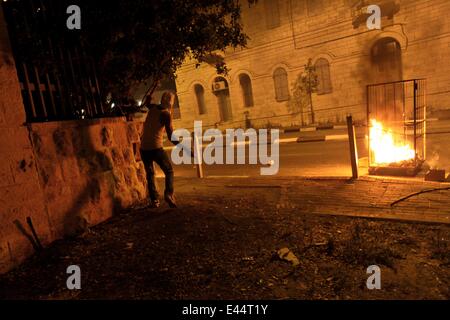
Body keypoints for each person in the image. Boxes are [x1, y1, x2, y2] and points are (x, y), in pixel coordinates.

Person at [140, 91, 179, 208]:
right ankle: (169, 194)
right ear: (170, 102)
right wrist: (185, 148)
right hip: (155, 147)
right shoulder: (166, 114)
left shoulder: (153, 107)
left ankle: (154, 201)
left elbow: (147, 104)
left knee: (150, 173)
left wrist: (148, 98)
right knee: (169, 171)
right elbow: (171, 136)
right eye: (172, 100)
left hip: (144, 148)